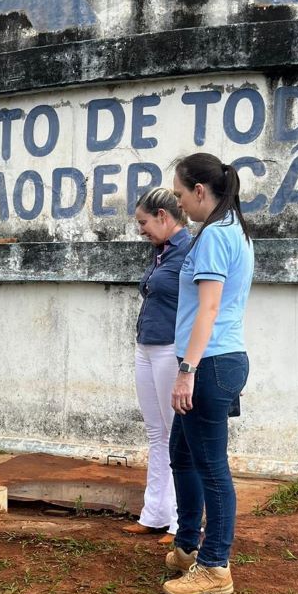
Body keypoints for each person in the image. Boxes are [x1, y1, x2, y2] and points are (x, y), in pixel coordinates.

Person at [161, 154, 254, 594]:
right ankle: (187, 544)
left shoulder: (216, 235)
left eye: (179, 195)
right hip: (219, 360)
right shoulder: (229, 229)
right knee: (182, 451)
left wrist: (186, 370)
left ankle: (215, 566)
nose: (179, 204)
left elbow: (209, 310)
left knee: (212, 467)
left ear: (200, 191)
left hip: (211, 363)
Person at [122, 187, 190, 544]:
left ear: (163, 217)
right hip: (146, 346)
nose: (141, 230)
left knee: (177, 435)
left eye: (144, 222)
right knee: (156, 433)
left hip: (170, 349)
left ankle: (184, 522)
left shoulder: (189, 252)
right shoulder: (162, 253)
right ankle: (155, 514)